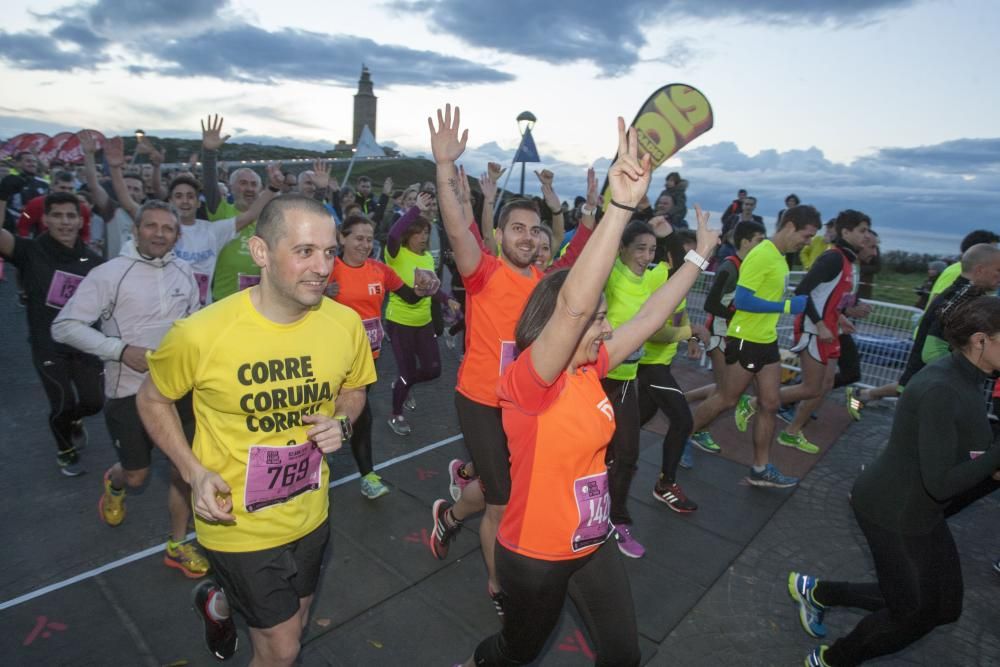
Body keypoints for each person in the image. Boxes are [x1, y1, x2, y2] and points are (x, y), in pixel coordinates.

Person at [458, 116, 718, 667]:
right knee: (515, 652)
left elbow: (649, 316)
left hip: (592, 538)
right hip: (534, 555)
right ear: (559, 325)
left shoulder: (590, 366)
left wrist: (697, 258)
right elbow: (575, 302)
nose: (603, 326)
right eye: (594, 319)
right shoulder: (530, 382)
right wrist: (619, 208)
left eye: (602, 320)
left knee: (623, 656)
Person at [136, 195, 376, 665]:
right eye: (304, 251)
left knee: (298, 621)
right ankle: (229, 599)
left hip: (311, 511)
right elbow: (151, 398)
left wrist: (342, 422)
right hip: (236, 521)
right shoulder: (200, 333)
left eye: (328, 252)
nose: (322, 267)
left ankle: (218, 602)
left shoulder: (345, 324)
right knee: (283, 648)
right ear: (262, 253)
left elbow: (355, 390)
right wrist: (192, 471)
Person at [424, 104, 592, 618]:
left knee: (508, 489)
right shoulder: (485, 273)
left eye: (535, 229)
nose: (528, 236)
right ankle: (499, 588)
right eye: (516, 228)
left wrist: (590, 215)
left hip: (527, 406)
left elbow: (582, 261)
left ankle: (450, 513)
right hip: (482, 402)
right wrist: (445, 170)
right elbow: (456, 232)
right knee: (502, 501)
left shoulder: (546, 287)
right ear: (499, 236)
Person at [788, 296, 1000, 667]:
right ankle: (830, 661)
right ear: (981, 340)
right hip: (892, 511)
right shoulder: (943, 388)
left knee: (945, 607)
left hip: (920, 511)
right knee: (913, 612)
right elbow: (941, 484)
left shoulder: (970, 377)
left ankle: (817, 591)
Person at [51, 199, 208, 577]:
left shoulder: (186, 272)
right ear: (136, 230)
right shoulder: (109, 274)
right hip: (130, 393)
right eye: (151, 226)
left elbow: (199, 321)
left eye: (167, 228)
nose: (159, 233)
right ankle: (116, 481)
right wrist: (120, 350)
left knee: (185, 471)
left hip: (180, 391)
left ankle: (177, 544)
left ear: (176, 235)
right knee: (137, 476)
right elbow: (64, 326)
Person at [690, 205, 821, 487]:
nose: (807, 242)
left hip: (767, 340)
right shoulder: (762, 255)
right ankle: (680, 438)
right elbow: (744, 301)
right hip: (745, 339)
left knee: (770, 404)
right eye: (807, 235)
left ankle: (760, 470)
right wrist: (788, 306)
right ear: (789, 226)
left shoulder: (781, 258)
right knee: (726, 398)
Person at [326, 214, 431, 498]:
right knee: (330, 409)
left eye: (369, 239)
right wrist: (322, 291)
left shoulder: (379, 270)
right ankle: (329, 454)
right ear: (342, 238)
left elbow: (409, 295)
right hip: (329, 357)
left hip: (367, 358)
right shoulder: (328, 269)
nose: (365, 245)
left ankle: (366, 475)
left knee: (361, 413)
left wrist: (424, 290)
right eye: (358, 238)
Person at [106, 135, 281, 304]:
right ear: (170, 201)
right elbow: (128, 204)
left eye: (190, 196)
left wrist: (272, 188)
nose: (185, 201)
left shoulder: (212, 231)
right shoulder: (159, 228)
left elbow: (250, 215)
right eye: (179, 196)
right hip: (163, 307)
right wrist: (114, 169)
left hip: (200, 313)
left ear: (198, 203)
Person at [0, 192, 103, 475]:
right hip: (48, 345)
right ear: (45, 219)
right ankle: (65, 450)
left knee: (94, 402)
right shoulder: (30, 251)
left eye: (71, 216)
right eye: (57, 215)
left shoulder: (93, 261)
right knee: (62, 403)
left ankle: (73, 420)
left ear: (80, 220)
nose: (65, 222)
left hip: (84, 344)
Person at [849, 243, 1000, 411]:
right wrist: (970, 370)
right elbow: (932, 351)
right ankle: (861, 395)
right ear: (980, 270)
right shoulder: (959, 299)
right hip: (930, 385)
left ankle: (863, 394)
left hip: (929, 381)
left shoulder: (965, 295)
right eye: (998, 270)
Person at [599, 217, 673, 556]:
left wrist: (667, 237)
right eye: (640, 249)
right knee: (589, 451)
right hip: (597, 380)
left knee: (627, 453)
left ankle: (617, 519)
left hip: (627, 382)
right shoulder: (612, 275)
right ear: (623, 250)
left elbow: (677, 269)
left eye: (652, 250)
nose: (646, 256)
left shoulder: (652, 279)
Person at [771, 210, 872, 453]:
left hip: (830, 330)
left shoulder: (849, 261)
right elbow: (803, 291)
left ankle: (792, 431)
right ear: (845, 232)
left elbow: (831, 298)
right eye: (862, 231)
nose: (866, 236)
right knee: (811, 387)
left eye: (867, 231)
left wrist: (843, 316)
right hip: (813, 329)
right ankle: (753, 402)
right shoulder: (833, 258)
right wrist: (820, 324)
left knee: (825, 385)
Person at [685, 220, 767, 453]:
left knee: (726, 390)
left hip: (732, 335)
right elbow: (711, 304)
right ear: (745, 242)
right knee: (726, 395)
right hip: (718, 336)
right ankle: (688, 433)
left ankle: (686, 408)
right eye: (759, 240)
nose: (763, 245)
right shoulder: (729, 268)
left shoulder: (751, 267)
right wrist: (738, 315)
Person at [383, 192, 454, 435]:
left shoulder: (425, 258)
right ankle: (396, 414)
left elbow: (431, 287)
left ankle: (403, 384)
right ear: (408, 235)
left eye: (426, 233)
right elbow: (392, 234)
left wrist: (447, 300)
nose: (424, 237)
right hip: (399, 322)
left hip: (423, 322)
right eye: (419, 233)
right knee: (407, 372)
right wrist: (415, 209)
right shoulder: (395, 254)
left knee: (433, 369)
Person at [925, 229, 1000, 308]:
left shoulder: (960, 269)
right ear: (976, 250)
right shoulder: (959, 272)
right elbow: (937, 305)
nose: (996, 255)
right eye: (992, 250)